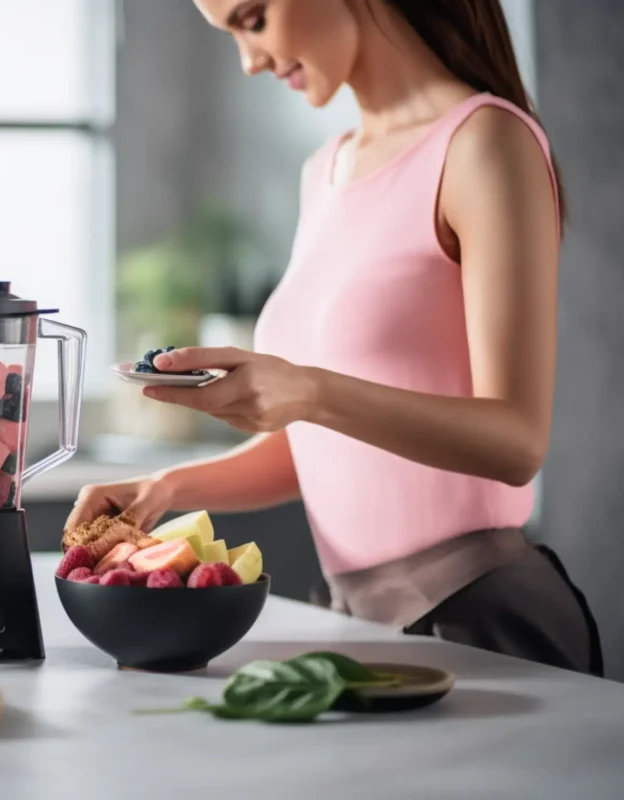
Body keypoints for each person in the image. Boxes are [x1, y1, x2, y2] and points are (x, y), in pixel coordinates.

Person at [68, 0, 602, 675]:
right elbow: (326, 443)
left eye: (253, 19)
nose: (250, 60)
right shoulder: (325, 171)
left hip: (476, 615)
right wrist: (169, 487)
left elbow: (517, 442)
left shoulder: (486, 144)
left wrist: (308, 391)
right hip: (353, 620)